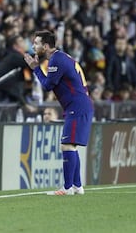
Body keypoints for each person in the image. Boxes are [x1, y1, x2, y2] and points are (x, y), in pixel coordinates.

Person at [24, 30, 94, 195]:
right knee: (71, 146)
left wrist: (35, 68)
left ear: (46, 46)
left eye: (36, 43)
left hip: (77, 106)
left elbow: (48, 85)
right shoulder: (61, 57)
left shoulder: (56, 60)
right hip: (79, 105)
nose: (33, 46)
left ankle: (67, 187)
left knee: (67, 145)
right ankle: (77, 186)